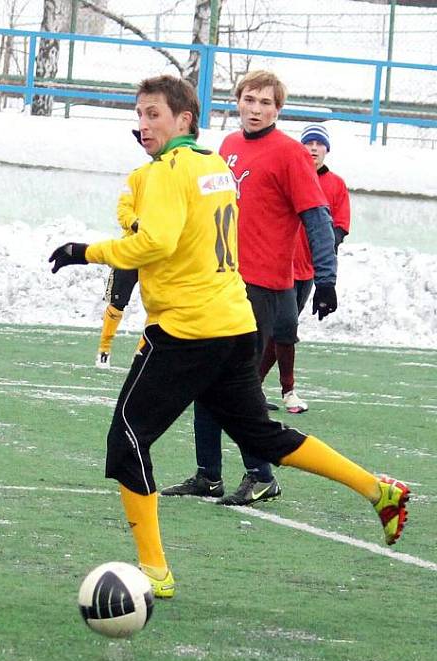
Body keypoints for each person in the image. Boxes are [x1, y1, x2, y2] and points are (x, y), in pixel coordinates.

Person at [48, 74, 409, 599]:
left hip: (190, 330)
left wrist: (87, 251)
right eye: (139, 114)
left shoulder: (171, 170)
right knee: (261, 436)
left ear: (183, 119)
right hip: (234, 322)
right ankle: (378, 490)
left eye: (153, 114)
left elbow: (154, 241)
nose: (143, 123)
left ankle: (155, 571)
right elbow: (186, 229)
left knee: (127, 436)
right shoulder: (214, 163)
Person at [162, 69, 339, 505]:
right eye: (249, 99)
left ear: (278, 109)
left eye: (266, 103)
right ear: (237, 100)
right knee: (205, 380)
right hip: (222, 284)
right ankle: (209, 475)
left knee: (236, 387)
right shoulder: (227, 147)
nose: (256, 109)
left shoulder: (291, 154)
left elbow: (317, 218)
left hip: (263, 289)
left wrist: (326, 278)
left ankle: (262, 474)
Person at [258, 123, 351, 413]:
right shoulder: (289, 174)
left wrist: (323, 245)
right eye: (308, 143)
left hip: (306, 272)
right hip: (277, 267)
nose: (312, 148)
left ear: (326, 149)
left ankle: (254, 387)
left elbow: (340, 226)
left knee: (280, 331)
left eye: (318, 144)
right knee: (278, 329)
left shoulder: (335, 184)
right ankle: (284, 391)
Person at [95, 132, 144, 369]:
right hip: (131, 249)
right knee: (117, 300)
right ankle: (104, 349)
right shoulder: (137, 176)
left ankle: (142, 352)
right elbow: (123, 210)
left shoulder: (175, 177)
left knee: (160, 306)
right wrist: (137, 225)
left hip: (159, 253)